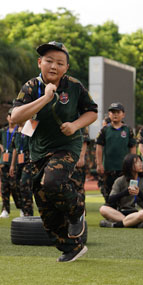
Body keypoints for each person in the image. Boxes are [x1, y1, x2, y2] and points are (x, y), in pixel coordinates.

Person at [11, 41, 97, 263]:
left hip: (67, 146)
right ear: (39, 62)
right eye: (49, 61)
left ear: (66, 68)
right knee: (44, 203)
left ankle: (77, 210)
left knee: (52, 181)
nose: (53, 66)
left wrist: (75, 125)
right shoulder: (31, 87)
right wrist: (45, 98)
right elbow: (15, 117)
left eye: (60, 63)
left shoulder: (74, 86)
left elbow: (92, 112)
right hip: (39, 151)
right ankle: (71, 247)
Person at [95, 102, 137, 203]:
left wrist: (133, 164)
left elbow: (132, 147)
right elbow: (99, 147)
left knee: (124, 192)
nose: (115, 114)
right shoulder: (104, 130)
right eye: (113, 112)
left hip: (124, 168)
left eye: (118, 112)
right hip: (108, 168)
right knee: (108, 194)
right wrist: (99, 164)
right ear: (109, 114)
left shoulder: (128, 130)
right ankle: (110, 208)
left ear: (123, 114)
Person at [99, 154, 143, 228]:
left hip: (139, 213)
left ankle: (116, 224)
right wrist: (125, 193)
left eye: (141, 162)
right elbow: (110, 200)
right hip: (123, 213)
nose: (140, 164)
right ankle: (131, 222)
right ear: (129, 165)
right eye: (137, 162)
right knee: (103, 209)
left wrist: (139, 194)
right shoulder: (120, 180)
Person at [0, 109, 21, 218]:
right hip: (4, 161)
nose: (11, 118)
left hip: (16, 161)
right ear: (7, 118)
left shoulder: (19, 130)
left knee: (15, 186)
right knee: (4, 187)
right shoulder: (3, 131)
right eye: (9, 115)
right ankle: (5, 210)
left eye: (13, 115)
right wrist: (1, 147)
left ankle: (21, 207)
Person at [10, 122, 34, 216]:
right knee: (14, 185)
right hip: (19, 161)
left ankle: (28, 213)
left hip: (29, 160)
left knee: (24, 184)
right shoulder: (16, 131)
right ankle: (22, 208)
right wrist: (12, 165)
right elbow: (15, 148)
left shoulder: (31, 126)